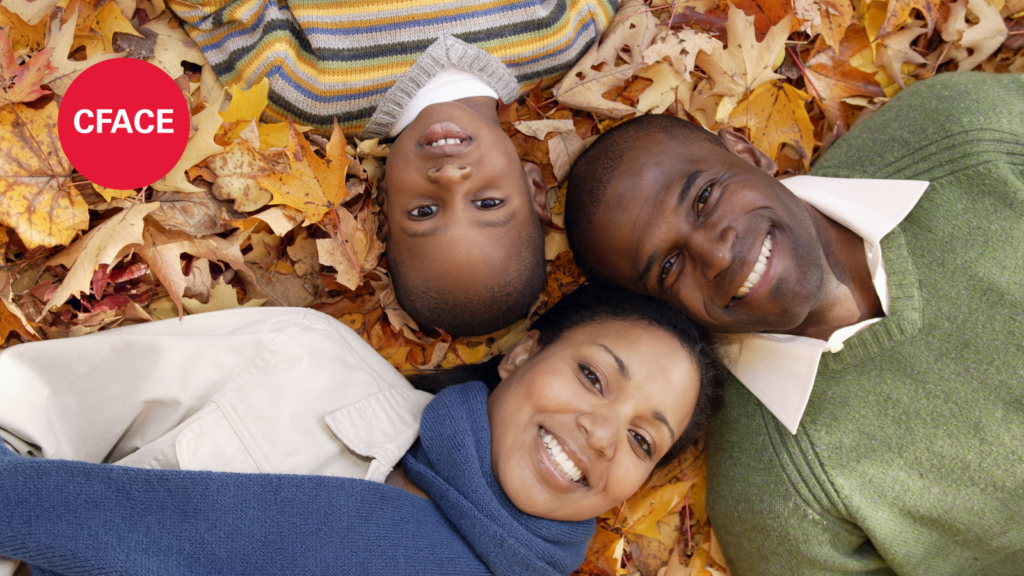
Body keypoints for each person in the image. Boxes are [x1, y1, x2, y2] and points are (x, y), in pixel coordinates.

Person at [562, 71, 1024, 574]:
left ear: (747, 153)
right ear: (669, 316)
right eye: (669, 268)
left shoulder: (962, 132)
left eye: (705, 198)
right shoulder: (777, 503)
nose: (717, 253)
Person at [0, 282, 722, 576]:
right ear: (525, 353)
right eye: (594, 377)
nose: (600, 434)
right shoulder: (301, 363)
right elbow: (24, 418)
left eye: (640, 441)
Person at [167, 0, 620, 336]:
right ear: (534, 187)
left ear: (381, 209)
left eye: (424, 212)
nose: (450, 178)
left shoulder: (308, 91)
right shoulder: (558, 35)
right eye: (487, 202)